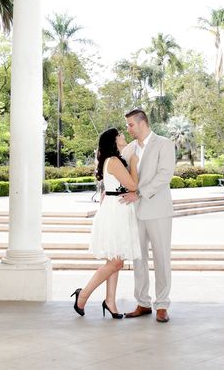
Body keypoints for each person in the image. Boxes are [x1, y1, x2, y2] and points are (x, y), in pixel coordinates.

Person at [71, 127, 141, 318]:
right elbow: (133, 185)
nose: (123, 136)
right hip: (116, 211)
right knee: (116, 262)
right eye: (119, 134)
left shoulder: (113, 161)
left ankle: (110, 301)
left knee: (114, 259)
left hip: (117, 208)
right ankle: (83, 295)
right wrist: (134, 162)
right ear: (113, 141)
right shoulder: (114, 161)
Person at [120, 108, 175, 323]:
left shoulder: (164, 143)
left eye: (130, 125)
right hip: (134, 211)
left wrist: (139, 193)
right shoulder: (130, 149)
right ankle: (142, 302)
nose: (128, 129)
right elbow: (120, 171)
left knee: (161, 258)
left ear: (142, 123)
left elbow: (165, 175)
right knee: (138, 258)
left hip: (158, 209)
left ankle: (162, 304)